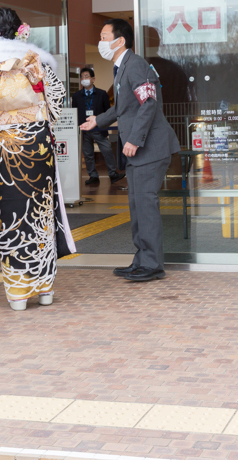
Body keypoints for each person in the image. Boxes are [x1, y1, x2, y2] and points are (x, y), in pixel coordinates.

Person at [0, 7, 76, 311]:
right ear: (20, 30)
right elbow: (56, 100)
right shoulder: (34, 62)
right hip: (36, 142)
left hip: (4, 146)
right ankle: (45, 288)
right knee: (40, 211)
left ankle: (17, 292)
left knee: (10, 212)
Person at [80, 19, 180, 283]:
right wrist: (98, 120)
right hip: (139, 152)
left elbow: (148, 103)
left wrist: (134, 139)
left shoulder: (135, 65)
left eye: (104, 36)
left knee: (145, 205)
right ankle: (142, 260)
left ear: (119, 40)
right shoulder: (122, 67)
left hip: (150, 148)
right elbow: (123, 108)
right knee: (137, 206)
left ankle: (152, 265)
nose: (101, 42)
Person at [72, 68, 122, 185]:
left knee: (107, 150)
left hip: (99, 128)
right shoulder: (77, 96)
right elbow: (75, 112)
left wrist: (103, 123)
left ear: (93, 79)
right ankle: (93, 176)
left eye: (87, 76)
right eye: (82, 77)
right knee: (88, 154)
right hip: (84, 130)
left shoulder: (102, 94)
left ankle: (113, 173)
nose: (84, 79)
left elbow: (107, 112)